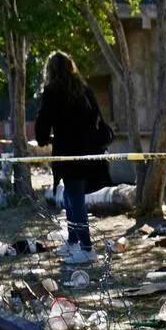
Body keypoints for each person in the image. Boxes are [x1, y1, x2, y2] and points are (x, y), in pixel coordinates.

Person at [34, 52, 110, 266]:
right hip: (90, 152)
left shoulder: (52, 92)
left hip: (69, 153)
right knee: (70, 195)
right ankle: (73, 241)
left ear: (50, 71)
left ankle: (86, 249)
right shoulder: (84, 90)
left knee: (75, 198)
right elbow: (97, 117)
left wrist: (43, 139)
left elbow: (43, 121)